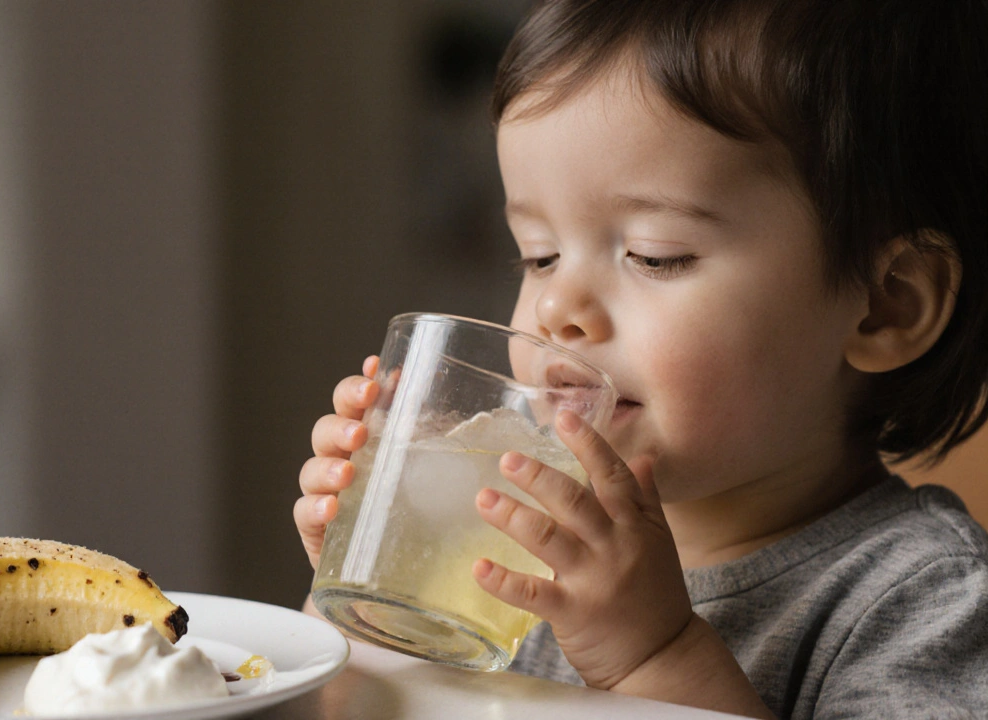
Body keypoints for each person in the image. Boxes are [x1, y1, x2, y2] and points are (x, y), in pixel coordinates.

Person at [293, 1, 988, 718]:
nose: (558, 305)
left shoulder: (927, 600)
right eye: (540, 255)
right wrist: (374, 591)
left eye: (655, 256)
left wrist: (652, 658)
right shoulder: (520, 538)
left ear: (886, 307)